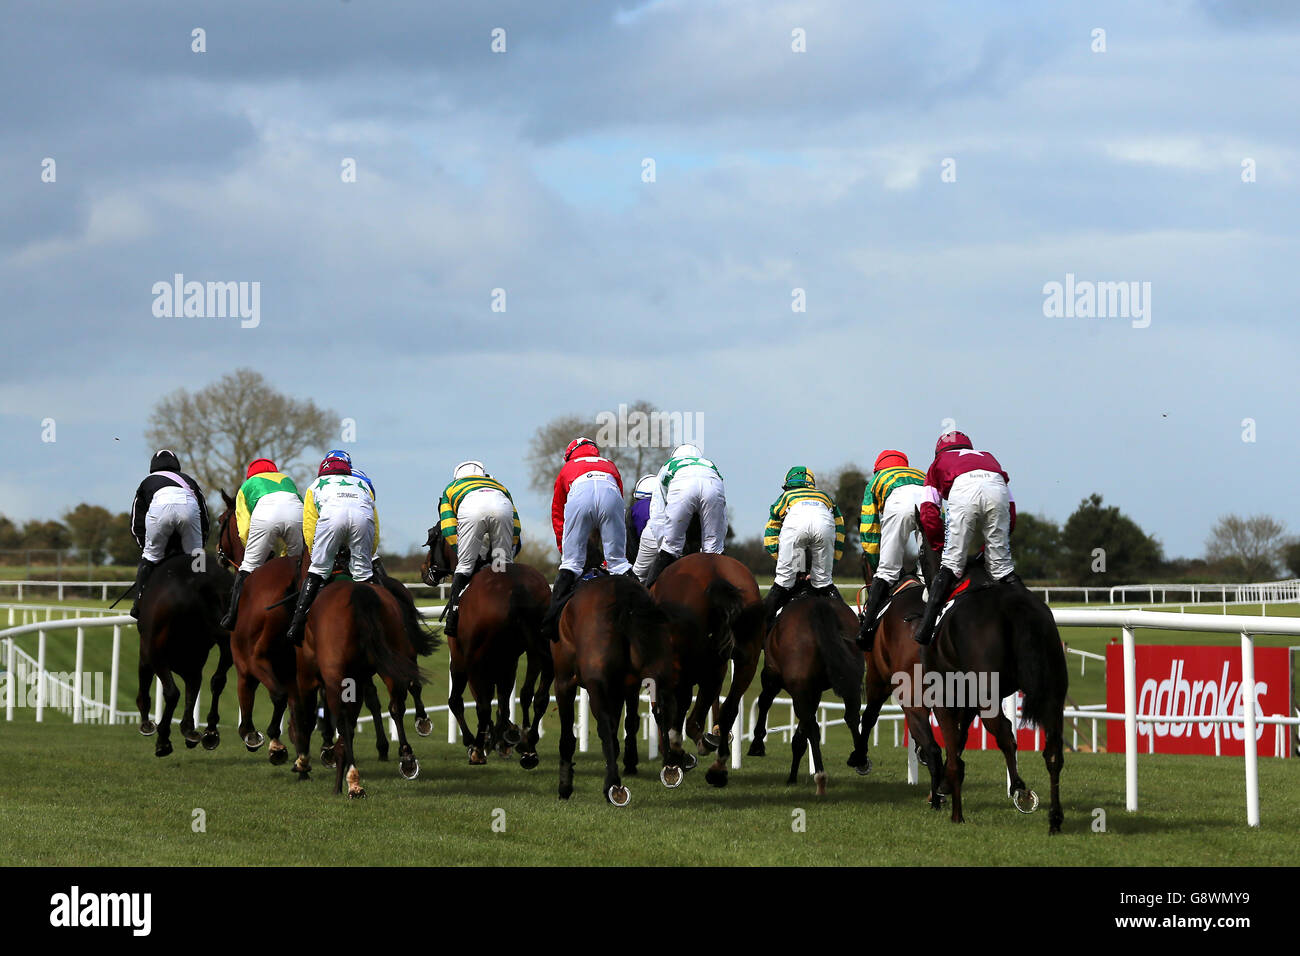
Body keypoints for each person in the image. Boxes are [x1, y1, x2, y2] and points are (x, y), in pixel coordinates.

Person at [913, 430, 1020, 646]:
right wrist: (988, 551)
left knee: (951, 565)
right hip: (997, 487)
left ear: (938, 452)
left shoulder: (938, 464)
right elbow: (1010, 511)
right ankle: (1026, 606)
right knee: (1002, 569)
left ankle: (926, 629)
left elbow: (928, 512)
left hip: (963, 490)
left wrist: (939, 545)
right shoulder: (988, 457)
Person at [542, 437, 633, 640]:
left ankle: (550, 624)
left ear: (570, 455)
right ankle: (645, 607)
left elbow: (558, 514)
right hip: (610, 493)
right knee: (618, 563)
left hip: (580, 493)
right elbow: (618, 499)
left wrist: (565, 550)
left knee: (572, 564)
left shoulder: (567, 468)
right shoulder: (609, 464)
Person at [286, 455, 379, 646]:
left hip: (332, 519)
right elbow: (375, 527)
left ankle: (296, 626)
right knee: (363, 574)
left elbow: (310, 528)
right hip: (362, 520)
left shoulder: (316, 485)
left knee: (318, 570)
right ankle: (380, 622)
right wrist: (367, 557)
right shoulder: (362, 484)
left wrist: (318, 557)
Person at [436, 460, 521, 637]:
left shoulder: (451, 487)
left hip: (471, 508)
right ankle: (514, 613)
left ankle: (452, 618)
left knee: (465, 567)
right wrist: (509, 548)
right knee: (502, 566)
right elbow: (516, 524)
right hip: (502, 507)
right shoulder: (498, 485)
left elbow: (449, 528)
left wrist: (465, 553)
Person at [855, 450, 928, 650]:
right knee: (929, 573)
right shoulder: (921, 474)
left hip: (899, 505)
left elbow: (869, 526)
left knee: (887, 571)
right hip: (929, 503)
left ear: (878, 468)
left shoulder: (878, 479)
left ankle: (865, 631)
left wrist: (874, 559)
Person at [219, 458, 303, 630]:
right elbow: (301, 504)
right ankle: (303, 615)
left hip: (266, 515)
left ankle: (232, 616)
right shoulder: (286, 480)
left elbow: (244, 527)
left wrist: (254, 548)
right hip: (297, 514)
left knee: (247, 566)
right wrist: (284, 556)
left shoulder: (247, 485)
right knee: (299, 565)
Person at [129, 449, 210, 619]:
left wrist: (146, 548)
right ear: (177, 465)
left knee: (150, 555)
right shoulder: (189, 481)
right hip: (189, 508)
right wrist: (201, 545)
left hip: (160, 508)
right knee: (196, 555)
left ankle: (138, 602)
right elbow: (204, 516)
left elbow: (137, 521)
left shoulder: (147, 482)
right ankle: (203, 596)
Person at [762, 466, 844, 623]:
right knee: (824, 582)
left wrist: (782, 559)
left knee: (783, 582)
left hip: (795, 526)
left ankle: (759, 630)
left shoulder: (786, 496)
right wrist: (830, 563)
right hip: (824, 525)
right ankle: (851, 627)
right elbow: (839, 531)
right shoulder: (825, 496)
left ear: (789, 484)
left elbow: (771, 532)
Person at [642, 443, 727, 587]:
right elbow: (722, 517)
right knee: (713, 553)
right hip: (713, 484)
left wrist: (663, 549)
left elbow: (658, 515)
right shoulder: (709, 464)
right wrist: (718, 543)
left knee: (670, 547)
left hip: (683, 487)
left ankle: (648, 598)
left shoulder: (668, 466)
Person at [627, 474, 658, 578]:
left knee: (637, 579)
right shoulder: (671, 503)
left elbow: (634, 541)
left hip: (650, 539)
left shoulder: (638, 507)